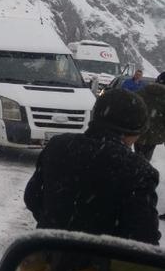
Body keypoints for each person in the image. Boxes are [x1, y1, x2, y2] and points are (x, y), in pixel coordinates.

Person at [24, 88, 160, 245]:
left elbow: (32, 197)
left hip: (46, 254)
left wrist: (58, 223)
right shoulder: (139, 171)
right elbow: (144, 237)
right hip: (101, 264)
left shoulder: (58, 145)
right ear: (134, 132)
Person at [134, 71, 165, 161]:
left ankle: (136, 167)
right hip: (155, 134)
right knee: (146, 158)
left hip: (138, 130)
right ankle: (141, 169)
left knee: (137, 154)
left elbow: (131, 110)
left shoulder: (142, 91)